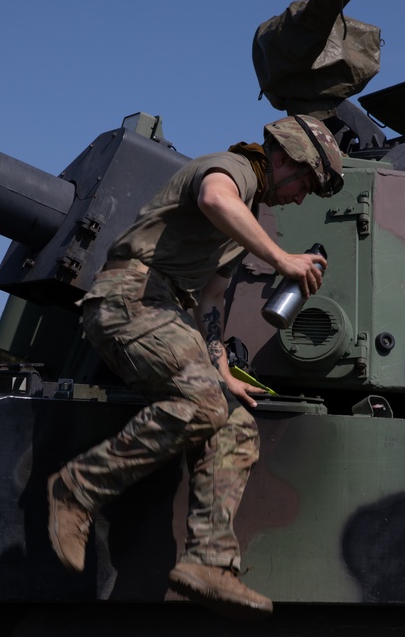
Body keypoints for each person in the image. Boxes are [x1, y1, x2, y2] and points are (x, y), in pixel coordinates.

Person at [47, 114, 343, 618]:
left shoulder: (247, 208)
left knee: (236, 424)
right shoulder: (236, 170)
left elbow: (209, 298)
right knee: (202, 404)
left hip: (164, 307)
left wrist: (220, 366)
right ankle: (77, 488)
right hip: (129, 295)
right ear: (286, 159)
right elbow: (213, 197)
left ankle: (209, 561)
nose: (300, 198)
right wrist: (282, 259)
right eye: (305, 185)